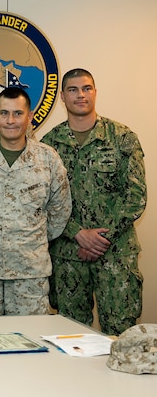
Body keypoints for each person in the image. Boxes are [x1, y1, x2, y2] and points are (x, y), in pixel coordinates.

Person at [41, 68, 146, 335]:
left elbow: (135, 196)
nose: (81, 95)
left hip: (115, 255)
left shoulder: (122, 137)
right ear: (62, 96)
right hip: (68, 257)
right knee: (71, 335)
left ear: (95, 93)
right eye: (73, 90)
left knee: (120, 334)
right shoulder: (49, 145)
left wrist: (98, 239)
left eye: (87, 88)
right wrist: (78, 235)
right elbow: (44, 202)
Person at [0, 87, 71, 317]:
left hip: (29, 275)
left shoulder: (48, 159)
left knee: (28, 346)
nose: (11, 120)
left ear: (29, 117)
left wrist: (27, 242)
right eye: (4, 113)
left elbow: (60, 211)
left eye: (18, 114)